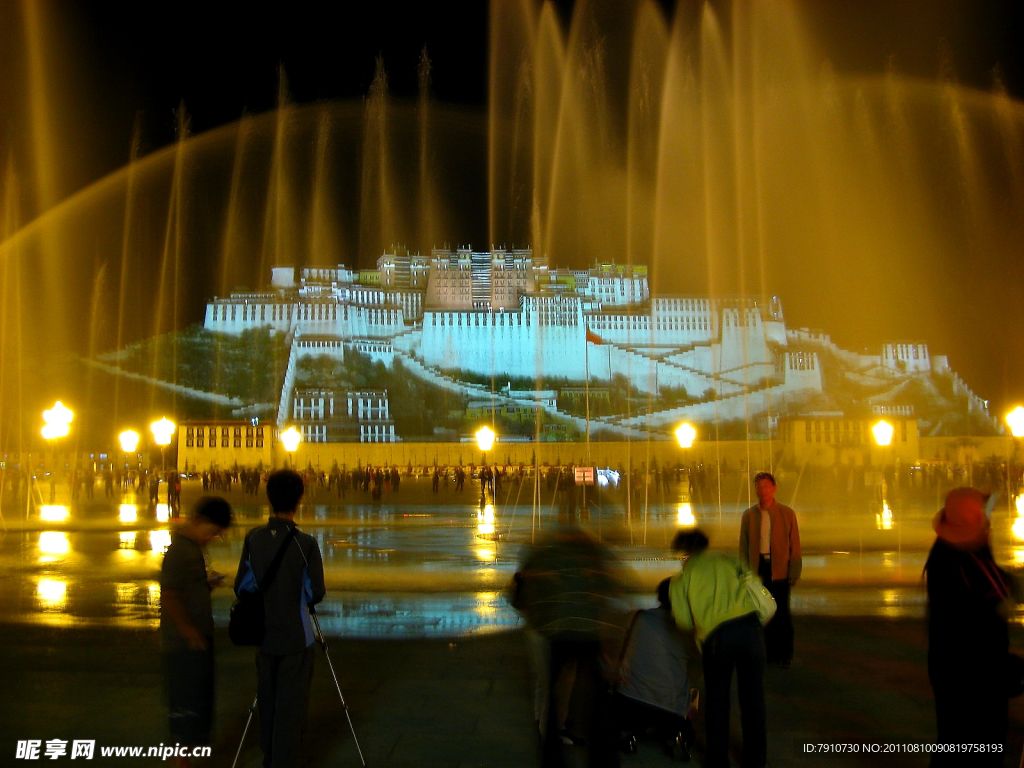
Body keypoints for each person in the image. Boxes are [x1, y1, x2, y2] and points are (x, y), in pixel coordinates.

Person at [235, 469, 326, 768]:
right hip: (296, 637)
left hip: (263, 634)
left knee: (268, 698)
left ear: (269, 498)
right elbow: (315, 592)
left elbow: (243, 586)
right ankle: (284, 759)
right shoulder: (306, 543)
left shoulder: (253, 538)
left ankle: (268, 753)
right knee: (292, 704)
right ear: (299, 498)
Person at [512, 522, 623, 768]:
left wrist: (540, 622)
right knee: (595, 698)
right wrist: (611, 642)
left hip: (558, 631)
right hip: (588, 632)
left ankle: (552, 755)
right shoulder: (594, 554)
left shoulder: (546, 553)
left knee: (552, 692)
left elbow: (525, 590)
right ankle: (602, 758)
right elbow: (611, 591)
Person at [925, 487, 1017, 765]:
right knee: (979, 742)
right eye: (984, 518)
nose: (989, 523)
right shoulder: (969, 559)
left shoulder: (944, 553)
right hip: (976, 669)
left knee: (954, 739)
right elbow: (1003, 592)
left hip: (949, 662)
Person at [671, 528, 766, 768]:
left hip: (717, 639)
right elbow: (753, 582)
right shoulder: (729, 560)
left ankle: (718, 761)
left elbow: (683, 621)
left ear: (685, 553)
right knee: (753, 701)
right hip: (749, 630)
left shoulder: (682, 578)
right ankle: (756, 761)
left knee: (717, 702)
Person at [160, 496, 233, 768]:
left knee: (197, 710)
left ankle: (187, 762)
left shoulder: (192, 549)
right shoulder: (180, 551)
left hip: (195, 642)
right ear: (198, 521)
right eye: (212, 532)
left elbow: (185, 588)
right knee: (186, 712)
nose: (213, 538)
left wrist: (207, 585)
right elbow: (170, 595)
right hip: (182, 646)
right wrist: (190, 632)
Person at [613, 578, 694, 760]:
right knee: (687, 693)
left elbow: (619, 651)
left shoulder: (637, 617)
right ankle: (676, 735)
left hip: (631, 702)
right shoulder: (688, 629)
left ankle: (628, 733)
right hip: (671, 709)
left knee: (621, 705)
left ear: (659, 597)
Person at [739, 471, 801, 666]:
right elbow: (744, 545)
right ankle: (765, 653)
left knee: (782, 613)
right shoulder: (749, 515)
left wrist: (794, 571)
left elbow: (795, 545)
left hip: (779, 568)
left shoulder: (786, 513)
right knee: (760, 612)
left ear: (774, 488)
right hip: (758, 569)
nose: (762, 490)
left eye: (766, 486)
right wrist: (744, 572)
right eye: (759, 486)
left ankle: (784, 654)